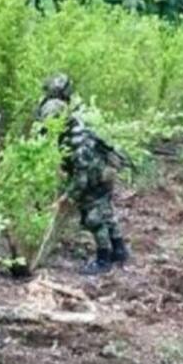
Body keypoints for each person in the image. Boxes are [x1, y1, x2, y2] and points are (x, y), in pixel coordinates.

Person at [44, 109, 130, 275]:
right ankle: (119, 251)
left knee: (94, 220)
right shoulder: (79, 130)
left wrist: (66, 197)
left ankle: (103, 260)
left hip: (95, 183)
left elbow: (81, 180)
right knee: (107, 215)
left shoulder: (76, 145)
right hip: (103, 176)